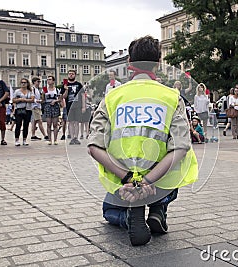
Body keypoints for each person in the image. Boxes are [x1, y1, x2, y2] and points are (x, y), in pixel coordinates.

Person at [88, 35, 198, 246]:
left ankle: (127, 217)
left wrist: (129, 178)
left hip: (123, 178)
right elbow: (181, 147)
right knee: (178, 161)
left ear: (129, 63)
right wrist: (147, 181)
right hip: (159, 179)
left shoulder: (112, 97)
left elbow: (94, 147)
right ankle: (158, 209)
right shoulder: (172, 97)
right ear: (157, 63)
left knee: (109, 210)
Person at [61, 70, 85, 145]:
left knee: (77, 122)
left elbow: (83, 95)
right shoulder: (65, 85)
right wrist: (66, 90)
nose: (71, 75)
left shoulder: (79, 84)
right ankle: (72, 138)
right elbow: (63, 97)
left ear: (75, 75)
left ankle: (76, 138)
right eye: (70, 74)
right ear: (67, 75)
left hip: (77, 105)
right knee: (70, 122)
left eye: (72, 74)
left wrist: (83, 106)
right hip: (69, 106)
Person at [12, 78, 34, 146]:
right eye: (22, 82)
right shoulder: (17, 91)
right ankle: (17, 139)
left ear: (27, 84)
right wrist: (19, 99)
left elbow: (32, 99)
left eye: (25, 82)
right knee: (18, 124)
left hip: (28, 109)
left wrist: (24, 100)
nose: (23, 84)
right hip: (19, 109)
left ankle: (24, 139)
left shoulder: (30, 91)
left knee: (26, 125)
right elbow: (13, 100)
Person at [43, 75, 61, 145]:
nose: (48, 81)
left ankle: (55, 139)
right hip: (48, 106)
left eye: (50, 79)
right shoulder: (45, 89)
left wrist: (55, 101)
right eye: (48, 80)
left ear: (53, 81)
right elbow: (43, 99)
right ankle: (50, 140)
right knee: (48, 124)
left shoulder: (56, 89)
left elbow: (60, 99)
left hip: (55, 106)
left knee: (55, 124)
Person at [30, 77, 48, 141]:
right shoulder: (32, 89)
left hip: (38, 107)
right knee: (40, 121)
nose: (39, 83)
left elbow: (40, 98)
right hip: (35, 107)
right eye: (38, 81)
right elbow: (31, 98)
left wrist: (41, 99)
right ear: (34, 82)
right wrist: (37, 101)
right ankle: (45, 135)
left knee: (34, 122)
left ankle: (33, 135)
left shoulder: (37, 89)